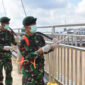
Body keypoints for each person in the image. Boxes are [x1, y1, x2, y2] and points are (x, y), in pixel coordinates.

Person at [18, 16, 57, 85]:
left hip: (39, 72)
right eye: (33, 25)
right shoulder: (22, 41)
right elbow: (28, 56)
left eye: (35, 24)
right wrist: (40, 51)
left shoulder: (39, 37)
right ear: (26, 27)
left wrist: (51, 48)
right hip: (29, 74)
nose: (35, 26)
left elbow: (44, 50)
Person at [0, 17, 17, 85]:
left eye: (8, 23)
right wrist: (3, 47)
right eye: (7, 23)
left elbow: (14, 42)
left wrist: (19, 40)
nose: (8, 24)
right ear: (1, 23)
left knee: (9, 73)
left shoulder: (9, 33)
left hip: (7, 57)